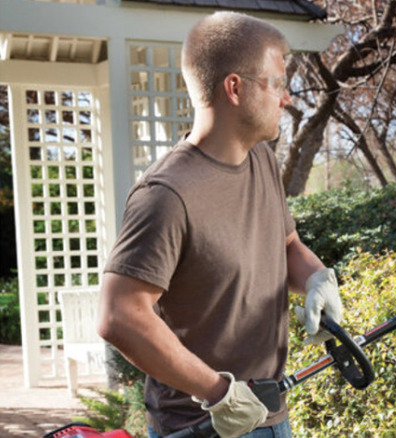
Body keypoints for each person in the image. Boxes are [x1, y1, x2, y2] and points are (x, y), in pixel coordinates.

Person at [97, 11, 343, 438]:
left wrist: (318, 278)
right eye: (277, 84)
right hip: (203, 426)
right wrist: (217, 392)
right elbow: (121, 315)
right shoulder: (166, 193)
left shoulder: (261, 159)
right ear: (235, 88)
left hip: (270, 415)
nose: (286, 99)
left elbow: (286, 246)